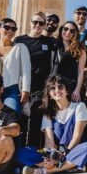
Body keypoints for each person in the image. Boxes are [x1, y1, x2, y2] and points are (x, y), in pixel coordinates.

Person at [16, 75, 87, 174]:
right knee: (22, 153)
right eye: (52, 88)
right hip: (57, 155)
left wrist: (63, 155)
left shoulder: (79, 107)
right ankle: (67, 167)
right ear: (50, 94)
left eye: (60, 87)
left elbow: (76, 138)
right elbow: (49, 142)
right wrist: (50, 158)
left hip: (73, 151)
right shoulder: (48, 114)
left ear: (67, 91)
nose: (57, 90)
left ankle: (45, 171)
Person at [15, 12, 56, 148]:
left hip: (40, 87)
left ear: (45, 25)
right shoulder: (20, 41)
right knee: (20, 119)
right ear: (30, 22)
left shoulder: (48, 42)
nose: (38, 25)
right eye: (35, 22)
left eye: (41, 23)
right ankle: (18, 150)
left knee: (36, 119)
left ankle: (32, 149)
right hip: (22, 86)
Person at [53, 21, 86, 101]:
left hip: (70, 87)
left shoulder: (80, 50)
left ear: (75, 34)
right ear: (61, 30)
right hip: (55, 87)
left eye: (72, 31)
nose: (68, 32)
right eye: (65, 29)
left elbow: (81, 71)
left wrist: (77, 90)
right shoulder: (54, 45)